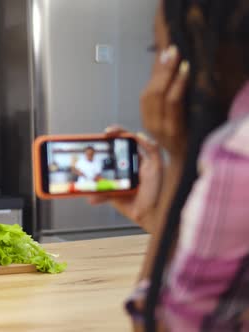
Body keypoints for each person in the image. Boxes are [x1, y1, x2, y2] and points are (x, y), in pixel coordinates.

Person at [90, 0, 249, 330]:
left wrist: (179, 164)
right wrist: (156, 213)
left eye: (156, 48)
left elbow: (160, 325)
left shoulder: (235, 157)